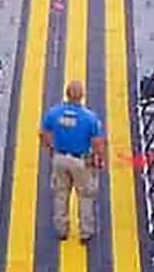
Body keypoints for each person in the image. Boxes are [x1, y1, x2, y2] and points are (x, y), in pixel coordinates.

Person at [43, 81, 108, 244]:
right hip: (81, 161)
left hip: (59, 158)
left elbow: (44, 132)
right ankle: (86, 232)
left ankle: (61, 230)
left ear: (66, 94)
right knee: (85, 196)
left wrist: (51, 148)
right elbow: (98, 142)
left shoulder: (54, 113)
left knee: (60, 194)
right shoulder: (89, 117)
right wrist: (99, 159)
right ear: (82, 95)